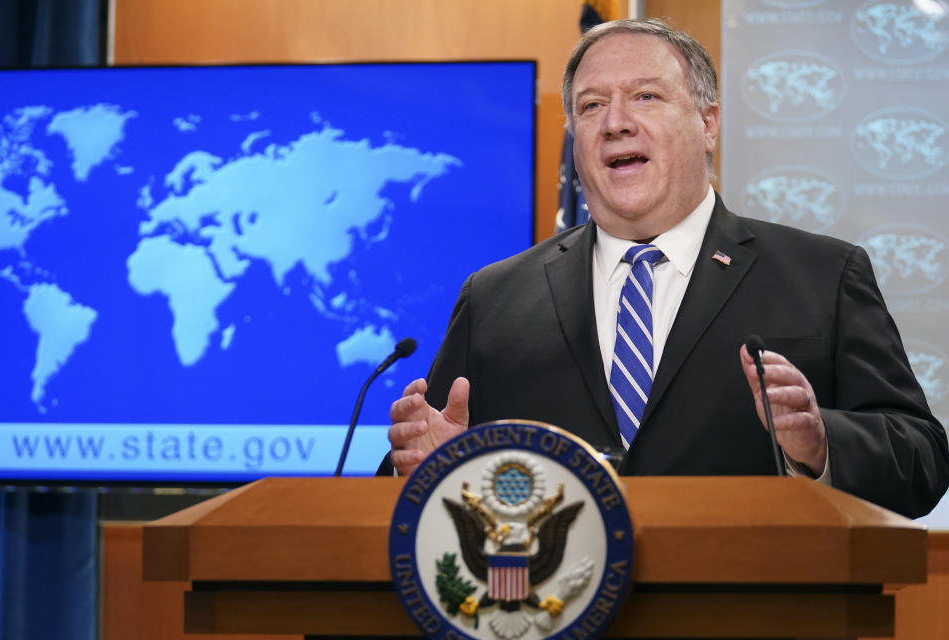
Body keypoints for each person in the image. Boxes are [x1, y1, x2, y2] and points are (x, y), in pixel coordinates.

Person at [381, 18, 949, 519]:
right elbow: (409, 477)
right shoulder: (496, 296)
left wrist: (823, 444)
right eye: (591, 105)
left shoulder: (824, 274)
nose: (616, 123)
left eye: (646, 96)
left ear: (708, 123)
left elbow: (921, 459)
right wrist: (438, 468)